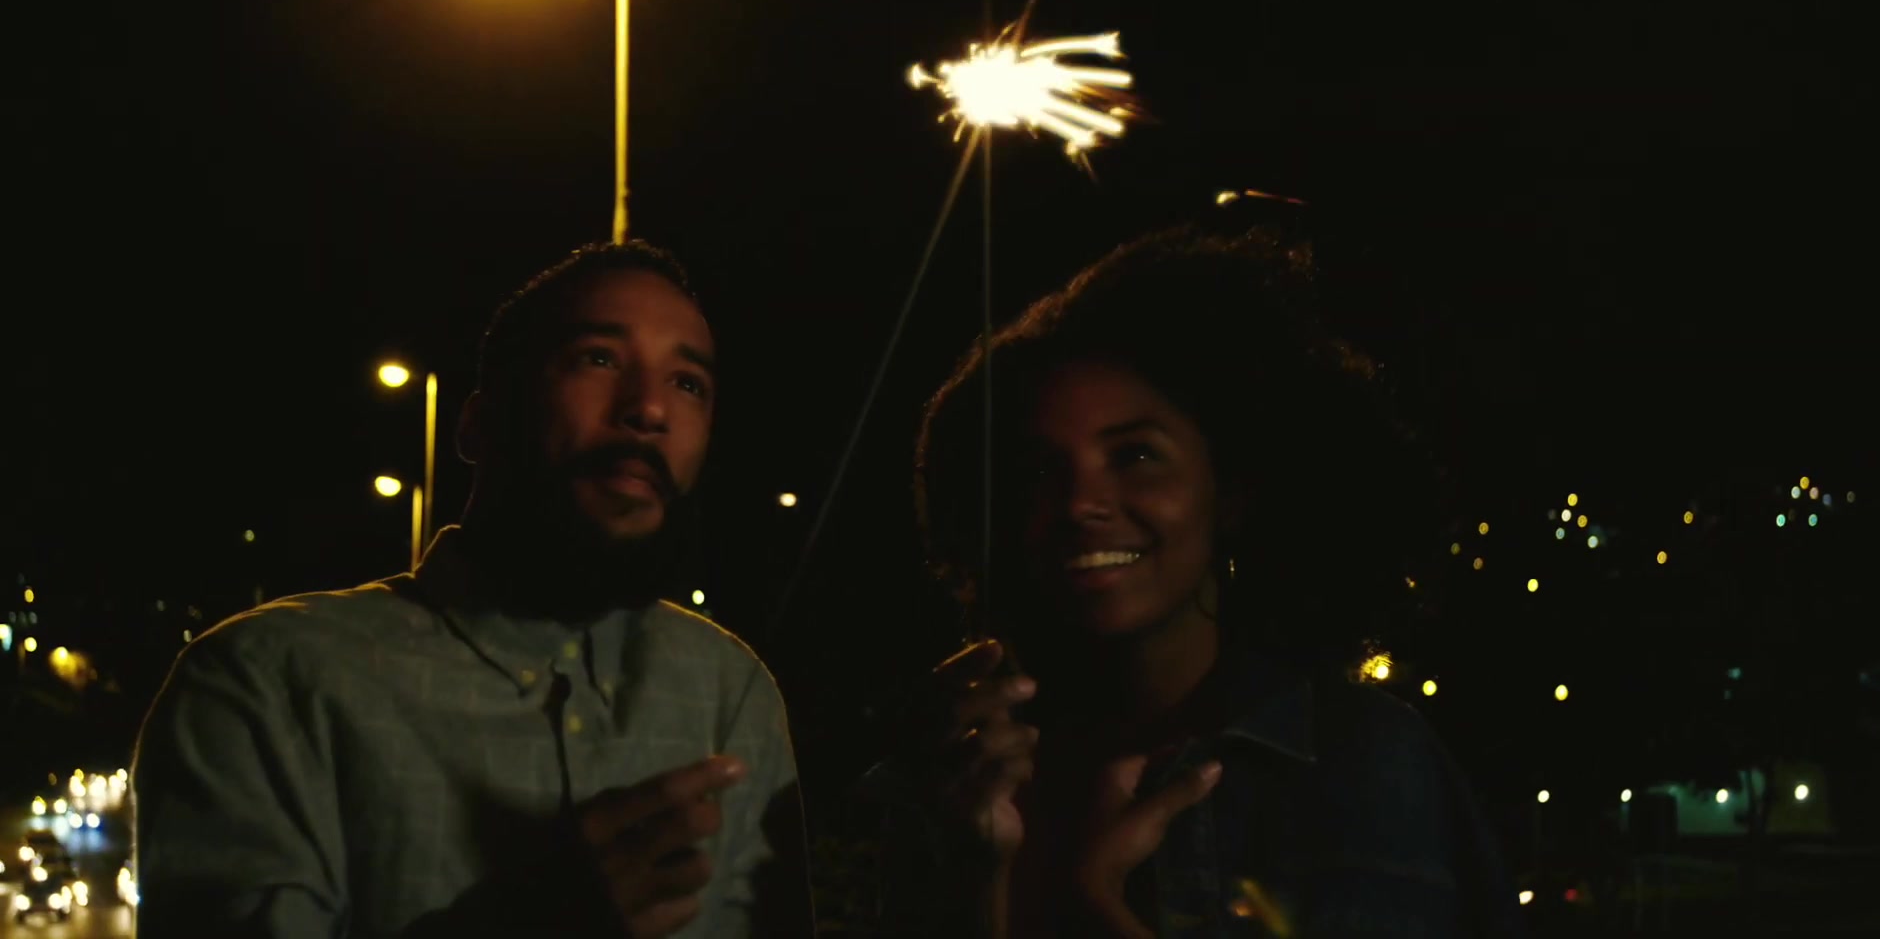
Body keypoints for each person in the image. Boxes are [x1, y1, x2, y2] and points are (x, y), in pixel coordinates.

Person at [133, 240, 813, 939]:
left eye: (688, 384)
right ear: (478, 422)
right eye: (599, 358)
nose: (649, 409)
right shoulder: (269, 683)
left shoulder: (731, 693)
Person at [876, 224, 1523, 937]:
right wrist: (973, 881)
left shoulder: (1357, 763)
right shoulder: (951, 784)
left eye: (1135, 456)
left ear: (1233, 490)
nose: (1080, 502)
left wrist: (1093, 903)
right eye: (1038, 469)